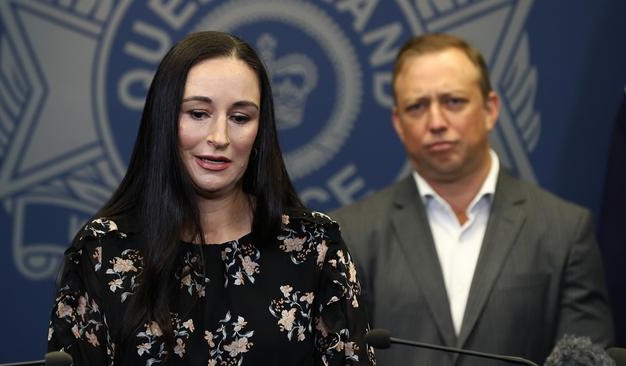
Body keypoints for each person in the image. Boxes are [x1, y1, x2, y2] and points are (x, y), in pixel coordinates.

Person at [47, 31, 375, 366]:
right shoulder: (103, 250)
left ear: (260, 131)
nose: (219, 137)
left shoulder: (314, 248)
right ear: (164, 120)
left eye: (240, 118)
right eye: (198, 113)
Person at [330, 33, 614, 365]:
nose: (436, 122)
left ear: (490, 109)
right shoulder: (350, 233)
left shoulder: (564, 230)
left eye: (453, 101)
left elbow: (586, 358)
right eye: (417, 106)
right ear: (398, 123)